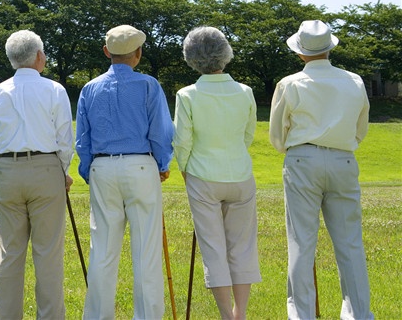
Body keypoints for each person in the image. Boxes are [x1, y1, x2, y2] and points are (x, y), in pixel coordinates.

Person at [269, 20, 373, 320]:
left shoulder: (290, 83)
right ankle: (359, 314)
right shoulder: (354, 80)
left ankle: (302, 315)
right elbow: (361, 127)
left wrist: (292, 149)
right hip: (343, 159)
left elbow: (277, 134)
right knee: (350, 242)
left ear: (301, 53)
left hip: (302, 159)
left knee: (301, 241)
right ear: (330, 48)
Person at [75, 24, 174, 320]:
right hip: (141, 165)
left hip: (102, 166)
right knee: (146, 251)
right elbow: (161, 131)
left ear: (107, 52)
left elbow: (83, 139)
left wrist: (89, 170)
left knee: (103, 250)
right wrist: (162, 163)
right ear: (138, 54)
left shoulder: (89, 88)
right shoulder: (149, 85)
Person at [0, 29, 75, 320]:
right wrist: (63, 171)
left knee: (10, 251)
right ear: (39, 56)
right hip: (46, 168)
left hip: (8, 170)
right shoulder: (54, 90)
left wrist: (1, 174)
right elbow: (64, 139)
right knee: (47, 254)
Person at [173, 27, 261, 320]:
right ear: (225, 52)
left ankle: (226, 315)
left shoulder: (187, 95)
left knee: (213, 247)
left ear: (191, 58)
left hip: (202, 175)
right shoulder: (245, 92)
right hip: (240, 173)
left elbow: (182, 141)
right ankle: (242, 313)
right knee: (242, 246)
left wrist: (184, 168)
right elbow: (249, 133)